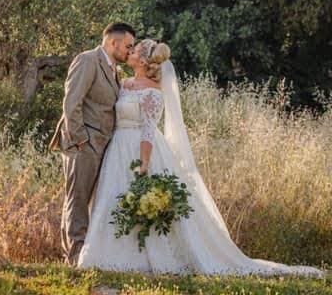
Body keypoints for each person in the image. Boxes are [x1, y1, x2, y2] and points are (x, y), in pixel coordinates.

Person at [77, 38, 325, 277]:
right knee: (112, 200)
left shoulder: (154, 93)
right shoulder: (124, 83)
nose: (130, 51)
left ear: (143, 61)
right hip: (117, 148)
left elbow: (149, 131)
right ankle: (106, 255)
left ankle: (144, 256)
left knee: (139, 200)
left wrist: (144, 163)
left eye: (135, 49)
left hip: (140, 152)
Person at [49, 22, 136, 265]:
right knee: (77, 201)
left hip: (103, 145)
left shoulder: (114, 70)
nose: (130, 51)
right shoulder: (87, 60)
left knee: (90, 203)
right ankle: (74, 258)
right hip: (83, 145)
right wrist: (80, 141)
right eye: (128, 46)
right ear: (113, 43)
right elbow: (71, 103)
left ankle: (86, 255)